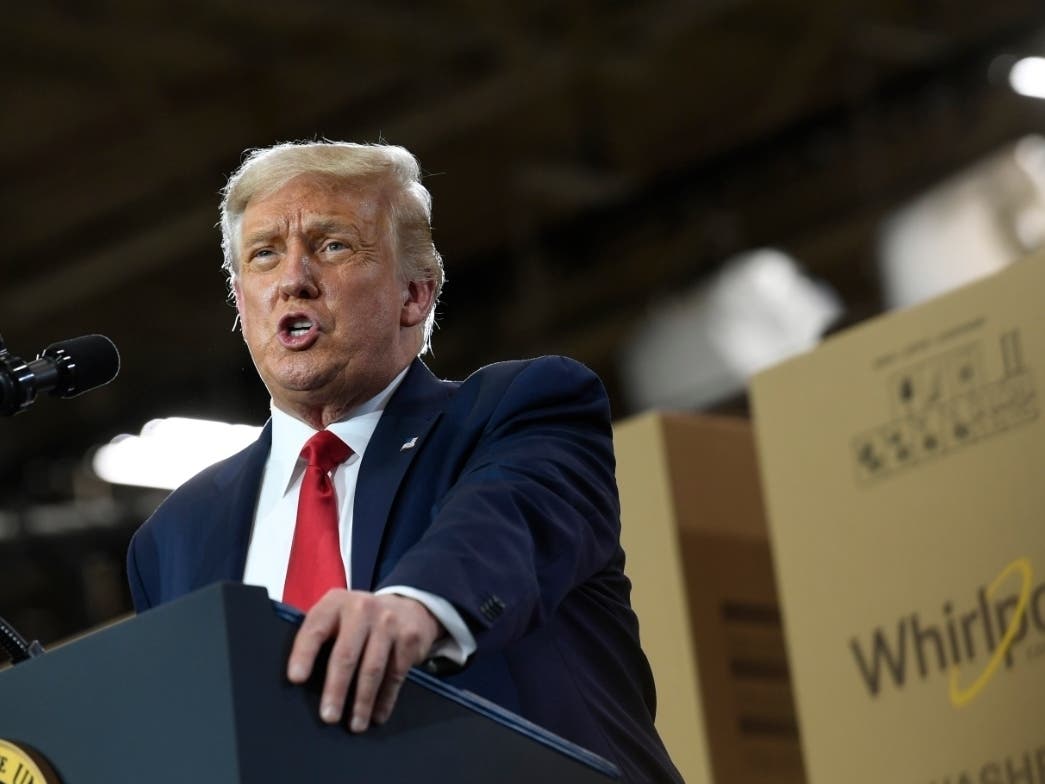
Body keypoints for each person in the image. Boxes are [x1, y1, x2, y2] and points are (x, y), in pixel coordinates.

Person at [126, 140, 682, 783]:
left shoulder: (519, 408)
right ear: (242, 301)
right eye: (264, 254)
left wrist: (412, 608)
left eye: (333, 245)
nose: (292, 279)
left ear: (414, 295)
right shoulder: (172, 538)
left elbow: (507, 522)